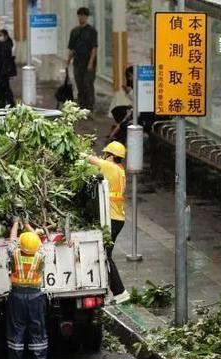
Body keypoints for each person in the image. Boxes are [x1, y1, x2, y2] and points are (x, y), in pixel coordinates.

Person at [86, 142, 131, 304]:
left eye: (106, 154)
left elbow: (88, 159)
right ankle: (117, 291)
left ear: (111, 156)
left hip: (113, 218)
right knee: (106, 254)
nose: (104, 156)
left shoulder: (111, 168)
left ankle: (120, 292)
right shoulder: (119, 170)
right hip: (117, 218)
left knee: (105, 255)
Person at [6, 217, 47, 359]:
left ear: (21, 245)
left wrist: (16, 223)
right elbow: (38, 244)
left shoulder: (15, 255)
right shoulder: (40, 256)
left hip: (17, 297)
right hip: (36, 298)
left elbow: (12, 241)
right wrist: (28, 224)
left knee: (17, 333)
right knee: (38, 333)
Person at [67, 7, 98, 112]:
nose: (81, 17)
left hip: (88, 62)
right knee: (79, 84)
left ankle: (90, 107)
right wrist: (67, 61)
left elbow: (94, 48)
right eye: (80, 15)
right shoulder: (74, 31)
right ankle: (82, 106)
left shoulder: (92, 31)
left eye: (84, 15)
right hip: (78, 62)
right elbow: (71, 48)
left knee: (88, 84)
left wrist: (90, 63)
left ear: (87, 17)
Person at [0, 28, 16, 106]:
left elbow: (5, 57)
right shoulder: (5, 44)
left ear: (5, 36)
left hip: (5, 70)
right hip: (3, 70)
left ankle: (10, 102)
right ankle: (8, 102)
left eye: (0, 35)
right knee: (4, 87)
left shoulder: (7, 45)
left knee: (5, 87)